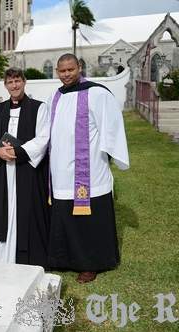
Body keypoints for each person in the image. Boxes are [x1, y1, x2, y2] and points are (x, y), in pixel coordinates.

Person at [47, 53, 129, 283]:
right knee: (65, 217)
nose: (66, 74)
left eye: (70, 69)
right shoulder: (55, 96)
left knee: (87, 220)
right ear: (57, 71)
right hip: (61, 171)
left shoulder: (97, 93)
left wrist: (111, 156)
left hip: (89, 170)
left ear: (79, 68)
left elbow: (111, 127)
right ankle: (64, 259)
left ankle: (90, 263)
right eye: (62, 71)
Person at [0, 68, 51, 267]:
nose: (14, 85)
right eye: (10, 82)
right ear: (5, 85)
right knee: (2, 210)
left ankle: (28, 258)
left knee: (28, 211)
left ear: (24, 82)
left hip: (26, 170)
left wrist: (18, 152)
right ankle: (0, 256)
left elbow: (43, 138)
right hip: (4, 170)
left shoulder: (39, 108)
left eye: (17, 81)